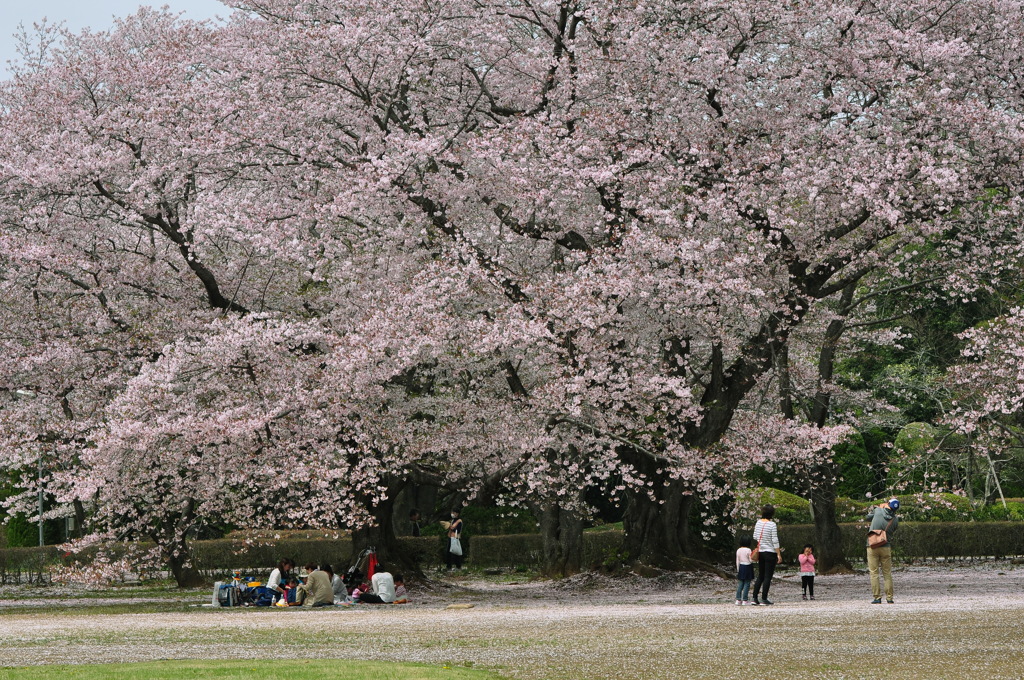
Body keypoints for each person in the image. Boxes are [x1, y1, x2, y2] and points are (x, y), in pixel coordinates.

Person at [867, 498, 900, 604]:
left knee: (874, 572)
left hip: (872, 545)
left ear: (888, 504)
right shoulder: (895, 519)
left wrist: (881, 507)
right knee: (887, 573)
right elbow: (894, 529)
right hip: (886, 546)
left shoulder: (878, 511)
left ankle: (877, 597)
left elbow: (868, 517)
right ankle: (889, 597)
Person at [750, 504, 781, 605]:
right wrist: (778, 554)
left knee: (761, 576)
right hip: (770, 552)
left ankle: (754, 598)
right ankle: (764, 598)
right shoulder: (772, 524)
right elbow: (775, 540)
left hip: (761, 552)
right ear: (772, 514)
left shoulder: (758, 523)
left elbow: (755, 536)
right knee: (768, 576)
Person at [735, 535, 754, 605]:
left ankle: (738, 599)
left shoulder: (738, 550)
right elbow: (751, 560)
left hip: (741, 567)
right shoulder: (748, 550)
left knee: (740, 584)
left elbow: (737, 561)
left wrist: (738, 569)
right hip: (748, 567)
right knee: (747, 583)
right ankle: (745, 600)